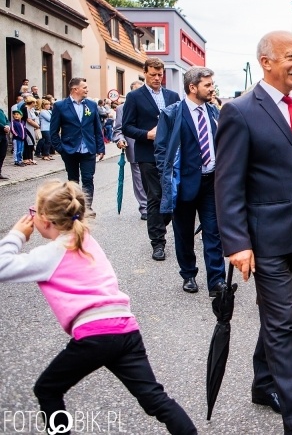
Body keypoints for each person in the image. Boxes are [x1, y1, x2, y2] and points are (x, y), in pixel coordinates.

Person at [215, 30, 292, 435]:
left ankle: (263, 384)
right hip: (264, 239)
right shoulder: (239, 111)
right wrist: (237, 243)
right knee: (284, 325)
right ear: (266, 62)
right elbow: (227, 184)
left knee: (279, 315)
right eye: (290, 56)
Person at [0, 180, 196, 434]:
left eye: (33, 211)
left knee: (47, 389)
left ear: (45, 220)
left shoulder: (50, 254)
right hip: (126, 330)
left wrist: (17, 234)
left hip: (95, 336)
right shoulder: (86, 240)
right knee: (155, 398)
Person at [155, 67, 226, 296]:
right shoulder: (172, 114)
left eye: (212, 84)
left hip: (211, 182)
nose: (212, 88)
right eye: (208, 85)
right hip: (183, 183)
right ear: (192, 87)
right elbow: (161, 150)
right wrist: (168, 180)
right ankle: (188, 274)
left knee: (213, 232)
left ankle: (217, 281)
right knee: (184, 233)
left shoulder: (214, 112)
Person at [122, 58, 181, 261]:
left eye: (160, 75)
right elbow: (127, 126)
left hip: (171, 155)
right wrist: (147, 134)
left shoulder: (172, 96)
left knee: (171, 196)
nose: (157, 78)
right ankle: (158, 243)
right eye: (153, 74)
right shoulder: (134, 97)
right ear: (145, 73)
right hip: (147, 154)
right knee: (155, 196)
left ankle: (159, 224)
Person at [49, 78, 105, 215]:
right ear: (75, 89)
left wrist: (100, 148)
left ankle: (87, 208)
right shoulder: (60, 106)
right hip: (69, 149)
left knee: (88, 179)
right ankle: (75, 207)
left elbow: (97, 128)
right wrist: (61, 149)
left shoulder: (91, 105)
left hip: (88, 149)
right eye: (84, 87)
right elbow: (53, 131)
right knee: (73, 180)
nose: (87, 90)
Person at [113, 81, 148, 220]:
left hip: (152, 147)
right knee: (139, 180)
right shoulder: (122, 108)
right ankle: (145, 208)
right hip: (133, 148)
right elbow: (118, 129)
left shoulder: (150, 104)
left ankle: (156, 205)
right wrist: (120, 139)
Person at [23, 97, 39, 165]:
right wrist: (37, 126)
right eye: (34, 103)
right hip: (27, 127)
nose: (35, 104)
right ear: (32, 103)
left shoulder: (31, 109)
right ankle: (26, 158)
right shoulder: (25, 109)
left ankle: (30, 158)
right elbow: (28, 120)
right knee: (28, 142)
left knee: (32, 143)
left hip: (32, 128)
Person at [0, 107, 9, 179]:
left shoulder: (1, 110)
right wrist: (3, 127)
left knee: (2, 154)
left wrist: (8, 125)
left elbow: (7, 120)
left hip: (3, 135)